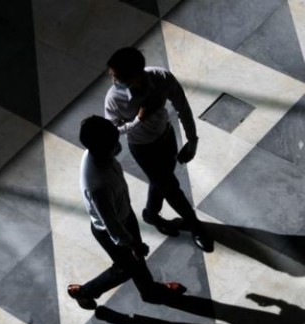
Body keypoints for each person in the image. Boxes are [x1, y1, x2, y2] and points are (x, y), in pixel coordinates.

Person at [67, 115, 183, 309]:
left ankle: (149, 291)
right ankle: (85, 292)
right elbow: (112, 227)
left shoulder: (97, 152)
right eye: (113, 145)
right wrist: (133, 244)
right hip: (111, 231)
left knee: (134, 263)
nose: (118, 147)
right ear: (102, 149)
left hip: (124, 215)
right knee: (126, 268)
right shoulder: (98, 186)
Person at [104, 46, 213, 252]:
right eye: (112, 76)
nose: (113, 82)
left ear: (135, 75)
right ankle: (195, 226)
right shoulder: (114, 98)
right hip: (143, 148)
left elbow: (183, 107)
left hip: (166, 135)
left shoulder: (162, 78)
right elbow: (114, 130)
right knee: (170, 186)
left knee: (161, 180)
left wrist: (192, 140)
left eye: (117, 77)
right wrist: (138, 120)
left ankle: (151, 214)